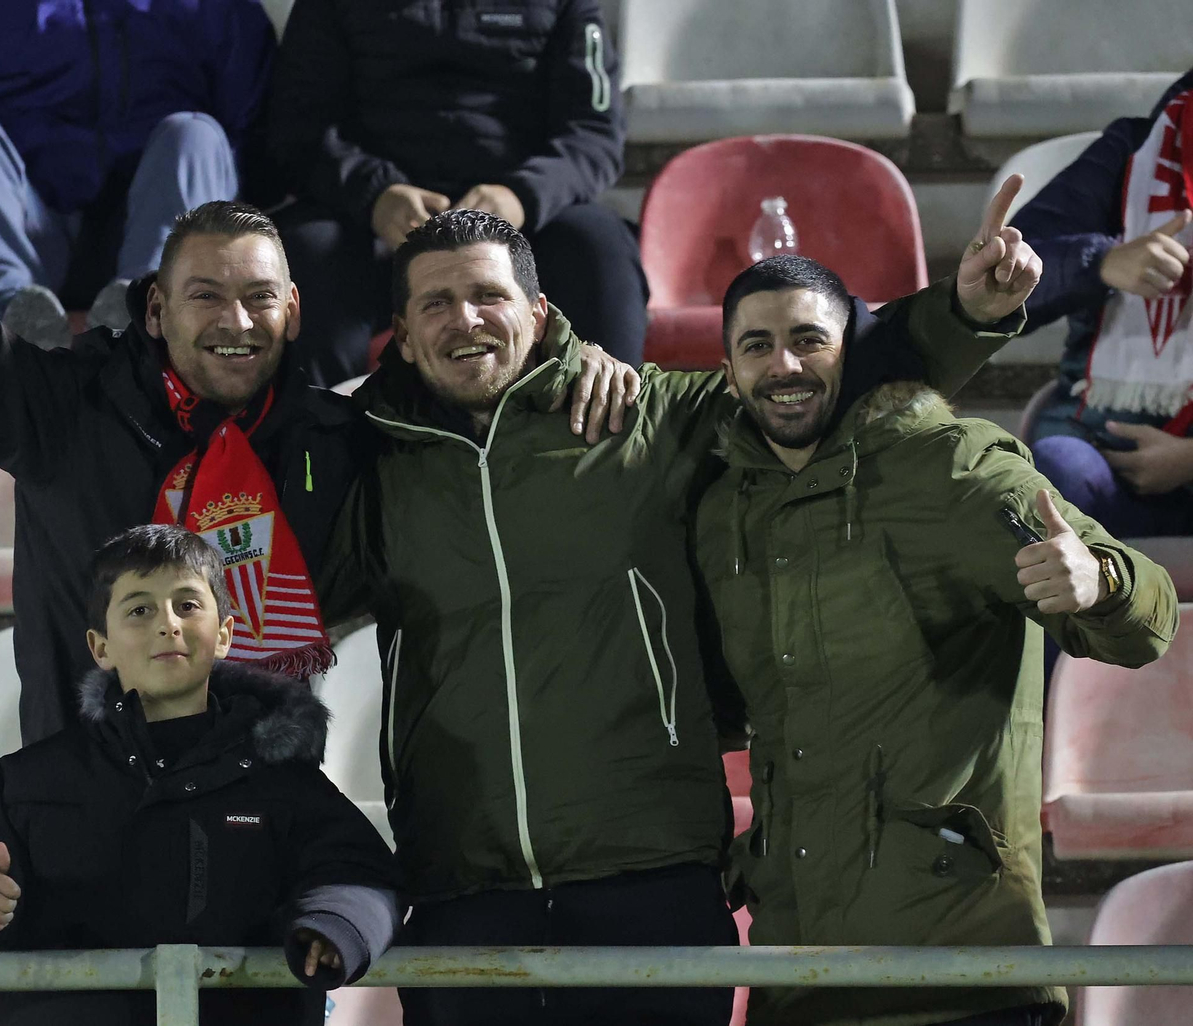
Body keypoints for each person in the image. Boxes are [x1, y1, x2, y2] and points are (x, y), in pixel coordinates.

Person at [318, 191, 1041, 1025]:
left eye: (488, 296)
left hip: (652, 876)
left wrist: (965, 310)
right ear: (402, 333)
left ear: (539, 311)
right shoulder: (368, 458)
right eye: (435, 304)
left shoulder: (645, 416)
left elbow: (815, 382)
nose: (464, 320)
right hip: (460, 886)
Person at [0, 26, 635, 744]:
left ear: (296, 311)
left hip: (261, 823)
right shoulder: (62, 409)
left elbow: (466, 369)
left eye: (259, 299)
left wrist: (572, 354)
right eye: (206, 297)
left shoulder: (335, 436)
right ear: (158, 309)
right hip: (95, 813)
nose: (236, 322)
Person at [692, 254, 1178, 1026]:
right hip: (800, 975)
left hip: (965, 977)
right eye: (757, 345)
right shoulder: (725, 512)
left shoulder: (955, 466)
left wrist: (1100, 584)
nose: (784, 364)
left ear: (855, 349)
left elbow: (1150, 621)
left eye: (809, 339)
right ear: (728, 370)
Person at [0, 524, 401, 1025]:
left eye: (188, 605)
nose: (168, 624)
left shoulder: (284, 783)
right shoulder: (29, 784)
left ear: (224, 634)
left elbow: (359, 874)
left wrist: (335, 926)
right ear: (100, 647)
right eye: (139, 609)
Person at [265, 0, 648, 385]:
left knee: (600, 247)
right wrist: (377, 195)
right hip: (370, 221)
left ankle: (610, 429)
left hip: (522, 218)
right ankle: (314, 433)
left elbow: (594, 133)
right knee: (305, 250)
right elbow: (297, 126)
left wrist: (520, 196)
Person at [0, 0, 275, 348]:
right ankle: (11, 328)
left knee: (197, 134)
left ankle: (150, 314)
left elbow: (251, 132)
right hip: (22, 226)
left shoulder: (215, 7)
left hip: (159, 227)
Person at [1011, 69, 1193, 537]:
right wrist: (1102, 262)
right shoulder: (1131, 151)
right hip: (1102, 444)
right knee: (1057, 478)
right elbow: (998, 283)